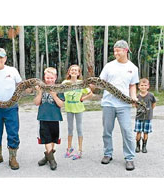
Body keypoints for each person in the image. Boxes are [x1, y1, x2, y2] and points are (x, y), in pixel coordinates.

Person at [99, 40, 139, 171]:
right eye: (114, 50)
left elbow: (132, 85)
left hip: (124, 105)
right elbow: (101, 82)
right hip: (108, 103)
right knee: (107, 130)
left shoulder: (133, 68)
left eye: (118, 50)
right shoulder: (109, 66)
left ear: (126, 50)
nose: (115, 52)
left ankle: (129, 158)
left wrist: (133, 97)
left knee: (127, 131)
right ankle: (107, 153)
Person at [34, 67, 64, 170]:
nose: (49, 80)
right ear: (44, 77)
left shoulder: (59, 89)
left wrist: (55, 96)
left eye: (51, 78)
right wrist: (39, 93)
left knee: (53, 139)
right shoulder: (41, 88)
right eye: (47, 77)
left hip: (55, 118)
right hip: (43, 117)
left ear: (55, 77)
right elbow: (37, 103)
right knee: (46, 138)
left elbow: (61, 105)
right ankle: (52, 160)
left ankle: (47, 156)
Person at [62, 65, 93, 160]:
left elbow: (90, 94)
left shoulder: (82, 83)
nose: (74, 71)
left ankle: (80, 150)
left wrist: (83, 98)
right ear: (69, 72)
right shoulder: (65, 83)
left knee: (79, 128)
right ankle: (69, 148)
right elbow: (60, 92)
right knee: (70, 128)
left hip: (78, 108)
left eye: (76, 70)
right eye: (72, 70)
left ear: (79, 73)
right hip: (69, 108)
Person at [134, 78, 156, 153]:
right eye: (142, 85)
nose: (143, 87)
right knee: (138, 132)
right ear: (139, 86)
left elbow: (153, 104)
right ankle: (137, 146)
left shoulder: (151, 95)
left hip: (147, 117)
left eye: (145, 85)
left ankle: (144, 146)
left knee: (146, 132)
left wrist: (149, 110)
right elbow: (135, 105)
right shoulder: (137, 96)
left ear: (148, 86)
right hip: (139, 117)